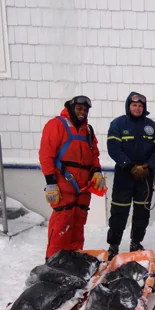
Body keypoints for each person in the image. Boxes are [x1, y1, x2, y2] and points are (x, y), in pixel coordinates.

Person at [39, 95, 106, 259]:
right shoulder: (56, 125)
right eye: (79, 109)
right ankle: (53, 261)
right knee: (62, 224)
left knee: (78, 226)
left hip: (83, 188)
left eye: (85, 110)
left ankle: (73, 259)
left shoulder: (88, 131)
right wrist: (51, 183)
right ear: (70, 108)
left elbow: (94, 155)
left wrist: (96, 171)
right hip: (63, 185)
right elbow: (46, 155)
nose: (82, 112)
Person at [106, 92, 155, 258]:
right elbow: (113, 147)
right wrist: (130, 166)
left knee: (142, 211)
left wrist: (149, 166)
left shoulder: (152, 126)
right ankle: (114, 245)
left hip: (145, 175)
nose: (137, 108)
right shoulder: (118, 124)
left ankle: (136, 242)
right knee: (119, 211)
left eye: (140, 106)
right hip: (124, 175)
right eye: (134, 105)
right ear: (128, 106)